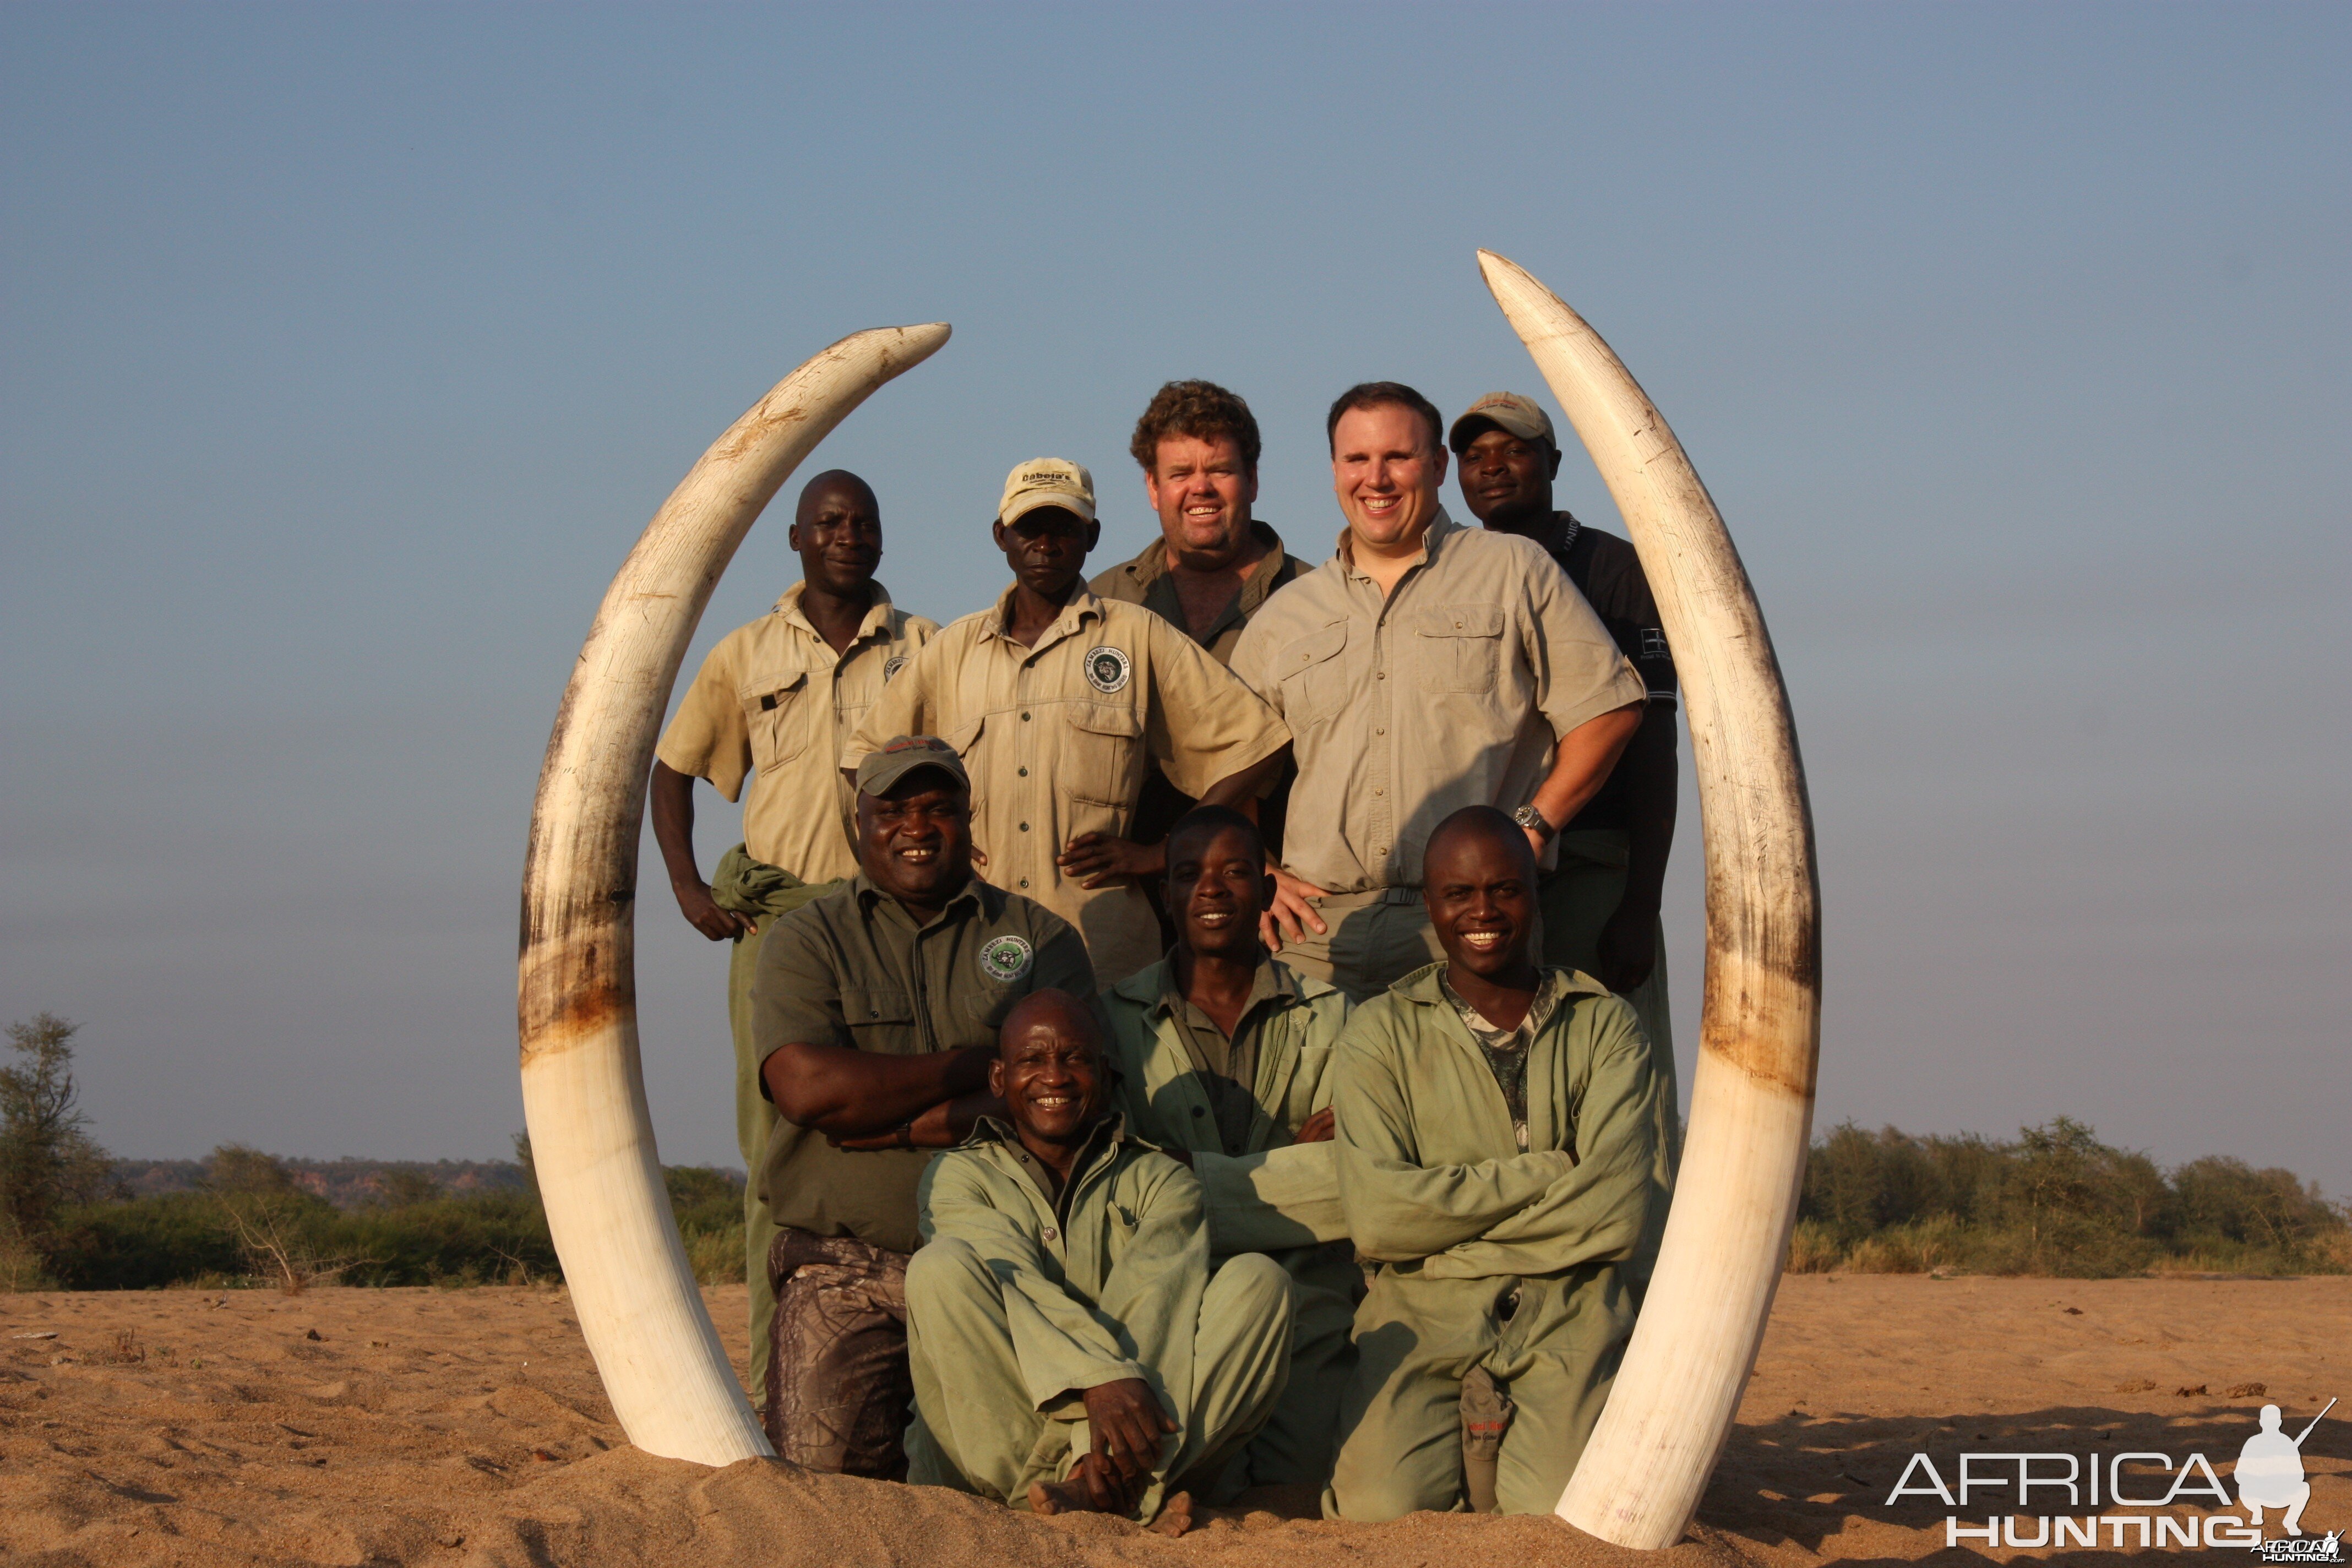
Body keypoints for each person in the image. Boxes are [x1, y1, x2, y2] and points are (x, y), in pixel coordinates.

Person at [647, 469, 938, 1395]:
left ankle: (911, 1370)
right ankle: (778, 1379)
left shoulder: (927, 647)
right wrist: (689, 886)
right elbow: (672, 768)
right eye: (830, 522)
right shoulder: (744, 653)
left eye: (865, 522)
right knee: (774, 1143)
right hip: (779, 922)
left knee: (912, 1128)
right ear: (796, 538)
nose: (849, 536)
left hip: (894, 923)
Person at [1229, 383, 1648, 1001]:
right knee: (1310, 1103)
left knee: (1469, 1101)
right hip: (1317, 941)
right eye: (1357, 460)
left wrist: (1529, 833)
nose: (1377, 478)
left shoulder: (1515, 570)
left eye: (1398, 456)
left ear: (1437, 466)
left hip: (1468, 929)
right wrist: (1259, 873)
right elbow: (1224, 761)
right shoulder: (1286, 614)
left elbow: (1610, 709)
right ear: (1335, 471)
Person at [748, 735, 1095, 1474]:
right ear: (859, 825)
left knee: (1025, 1483)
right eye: (894, 810)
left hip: (1007, 1262)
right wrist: (976, 1065)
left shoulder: (1038, 938)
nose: (917, 827)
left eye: (939, 808)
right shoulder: (805, 940)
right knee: (819, 1495)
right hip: (846, 1265)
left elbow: (1061, 1098)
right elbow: (808, 1090)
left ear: (971, 821)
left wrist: (892, 1119)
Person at [1324, 807, 1669, 1520]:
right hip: (1424, 1314)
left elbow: (1613, 1215)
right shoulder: (1378, 1033)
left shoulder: (1605, 1026)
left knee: (1558, 1517)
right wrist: (1549, 1172)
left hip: (1567, 1310)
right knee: (1377, 1511)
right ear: (1430, 906)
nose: (1483, 911)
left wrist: (1444, 1228)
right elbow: (1380, 1220)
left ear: (1536, 891)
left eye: (1505, 890)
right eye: (1459, 894)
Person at [847, 458, 1292, 986]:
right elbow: (864, 761)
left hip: (1101, 945)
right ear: (1001, 536)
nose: (1046, 543)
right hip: (973, 935)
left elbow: (1259, 742)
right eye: (1029, 528)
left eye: (1064, 528)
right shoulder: (952, 651)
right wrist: (935, 849)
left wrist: (1164, 851)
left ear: (1092, 536)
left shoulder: (1135, 635)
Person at [905, 990, 1297, 1537]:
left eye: (1075, 1058)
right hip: (1001, 1437)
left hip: (1133, 1414)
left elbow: (1154, 1303)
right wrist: (1101, 1378)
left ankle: (1097, 1485)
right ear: (999, 1079)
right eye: (1032, 1060)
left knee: (1260, 1282)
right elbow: (1010, 1276)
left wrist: (1099, 1438)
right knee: (940, 1267)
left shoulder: (1161, 1181)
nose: (1055, 1076)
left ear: (1106, 1075)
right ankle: (1111, 1492)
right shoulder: (958, 1176)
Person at [1098, 805, 1357, 1494]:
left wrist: (1186, 1180)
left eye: (1236, 872)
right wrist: (1290, 1168)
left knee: (1300, 1494)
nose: (1211, 889)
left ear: (1269, 893)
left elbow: (1353, 1182)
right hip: (1167, 1311)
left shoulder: (1334, 1015)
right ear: (1166, 895)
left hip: (1310, 1309)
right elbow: (1118, 1187)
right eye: (1189, 875)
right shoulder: (1113, 1021)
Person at [1451, 391, 1680, 1118]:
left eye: (1512, 452)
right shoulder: (1451, 576)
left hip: (1590, 867)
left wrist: (1640, 902)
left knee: (1615, 1078)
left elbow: (1652, 744)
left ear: (1552, 463)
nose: (1492, 470)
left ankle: (1643, 1233)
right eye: (1474, 457)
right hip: (1487, 879)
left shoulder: (1616, 570)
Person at [1090, 380, 1313, 893]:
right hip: (1125, 899)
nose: (1201, 488)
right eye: (1180, 473)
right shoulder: (1103, 601)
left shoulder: (1317, 598)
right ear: (1152, 487)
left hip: (1273, 894)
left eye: (1219, 470)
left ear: (1253, 479)